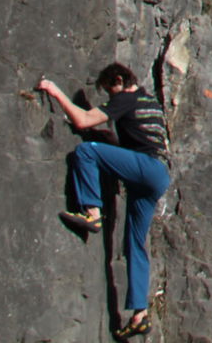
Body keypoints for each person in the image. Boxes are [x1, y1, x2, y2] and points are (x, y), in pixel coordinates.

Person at [37, 64, 170, 339]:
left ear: (119, 81)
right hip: (157, 174)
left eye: (110, 90)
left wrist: (54, 90)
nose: (110, 98)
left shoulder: (126, 98)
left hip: (145, 168)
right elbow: (136, 138)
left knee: (86, 151)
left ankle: (92, 212)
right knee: (134, 244)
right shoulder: (149, 100)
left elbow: (84, 121)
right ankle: (140, 314)